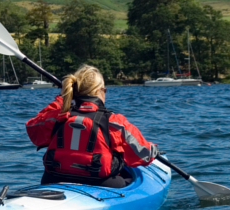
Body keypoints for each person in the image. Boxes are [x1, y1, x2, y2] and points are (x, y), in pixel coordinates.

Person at [26, 65, 158, 188]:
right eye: (104, 90)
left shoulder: (57, 116)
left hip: (52, 179)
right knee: (131, 179)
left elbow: (32, 128)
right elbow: (143, 155)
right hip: (100, 182)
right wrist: (154, 151)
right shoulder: (114, 121)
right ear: (99, 91)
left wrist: (61, 99)